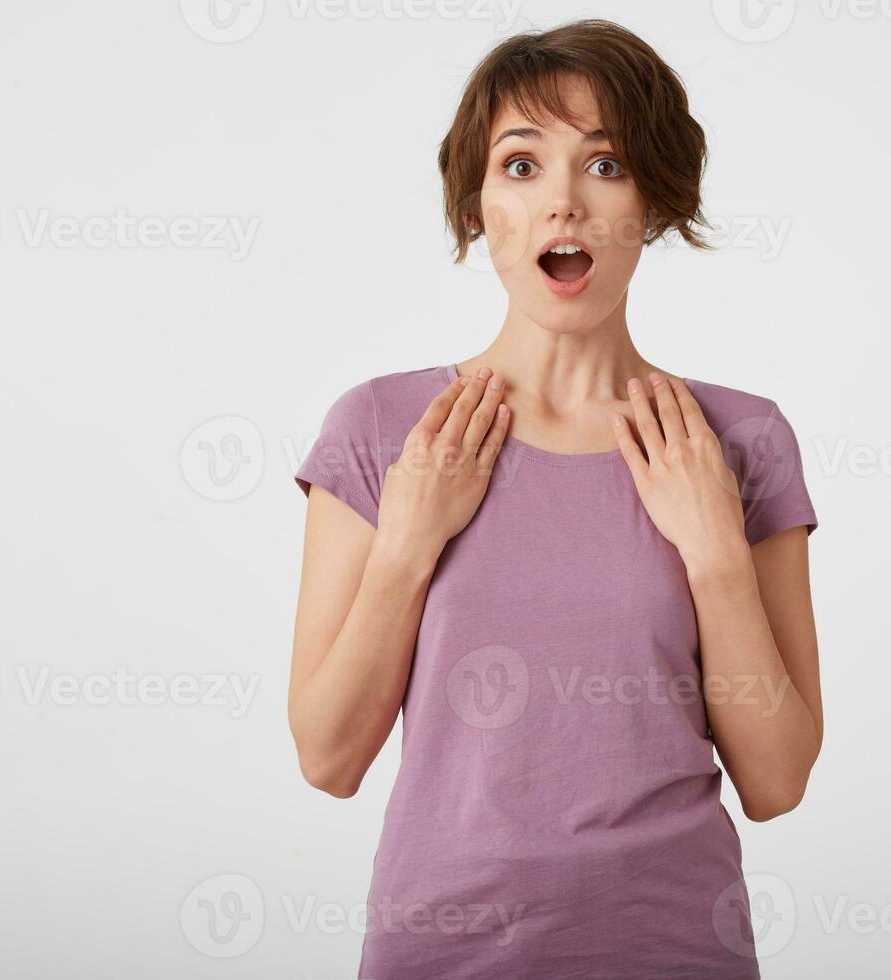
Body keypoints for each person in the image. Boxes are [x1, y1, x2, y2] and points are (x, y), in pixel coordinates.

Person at [288, 19, 822, 978]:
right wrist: (410, 544)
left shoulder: (741, 441)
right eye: (521, 165)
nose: (563, 203)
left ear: (653, 201)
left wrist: (713, 553)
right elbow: (327, 759)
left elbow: (778, 779)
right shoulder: (378, 428)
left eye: (606, 164)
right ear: (478, 203)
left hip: (676, 950)